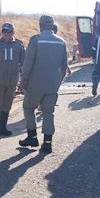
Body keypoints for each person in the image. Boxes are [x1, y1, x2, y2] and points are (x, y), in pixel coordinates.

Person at [18, 15, 68, 153]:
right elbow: (64, 66)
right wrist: (58, 82)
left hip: (35, 84)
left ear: (40, 25)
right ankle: (47, 143)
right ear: (52, 26)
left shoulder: (36, 40)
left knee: (28, 108)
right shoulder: (61, 42)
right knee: (48, 112)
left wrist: (24, 80)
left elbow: (28, 63)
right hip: (52, 85)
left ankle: (32, 137)